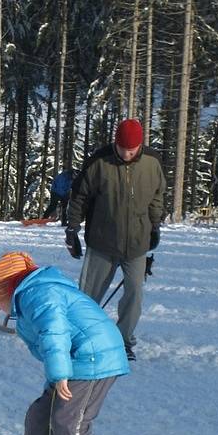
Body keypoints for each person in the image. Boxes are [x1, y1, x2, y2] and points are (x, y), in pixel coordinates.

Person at [0, 251, 129, 435]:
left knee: (69, 418)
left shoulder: (39, 295)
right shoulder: (31, 296)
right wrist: (57, 374)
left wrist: (60, 374)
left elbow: (55, 333)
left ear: (5, 290)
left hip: (94, 357)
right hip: (76, 359)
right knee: (41, 411)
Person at [66, 118, 165, 361]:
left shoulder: (152, 163)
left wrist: (154, 226)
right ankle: (80, 338)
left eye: (131, 150)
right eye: (122, 149)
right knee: (88, 295)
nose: (127, 153)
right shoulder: (99, 162)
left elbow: (157, 196)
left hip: (136, 244)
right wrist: (72, 230)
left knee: (135, 294)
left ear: (140, 145)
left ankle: (123, 341)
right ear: (115, 143)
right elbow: (79, 197)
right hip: (102, 242)